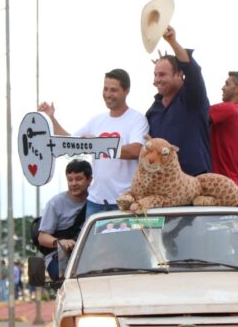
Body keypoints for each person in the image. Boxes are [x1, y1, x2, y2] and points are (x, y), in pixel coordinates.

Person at [39, 68, 149, 218]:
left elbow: (136, 151)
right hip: (96, 201)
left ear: (126, 91)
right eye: (105, 89)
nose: (108, 94)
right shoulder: (96, 121)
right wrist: (51, 119)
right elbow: (71, 142)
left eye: (113, 90)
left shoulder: (137, 119)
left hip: (127, 202)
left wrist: (96, 144)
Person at [146, 25, 211, 175]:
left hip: (194, 184)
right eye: (155, 75)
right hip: (163, 184)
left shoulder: (194, 97)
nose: (157, 80)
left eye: (162, 74)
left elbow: (193, 71)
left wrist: (172, 42)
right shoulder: (152, 111)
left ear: (179, 74)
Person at [38, 160, 92, 282]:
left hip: (91, 257)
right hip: (60, 258)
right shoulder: (54, 204)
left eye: (78, 179)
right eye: (70, 179)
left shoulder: (96, 201)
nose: (73, 183)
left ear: (89, 180)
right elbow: (42, 237)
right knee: (66, 281)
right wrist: (61, 242)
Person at [209, 71, 238, 187]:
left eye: (227, 84)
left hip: (219, 184)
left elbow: (194, 114)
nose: (222, 88)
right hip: (232, 185)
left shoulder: (229, 110)